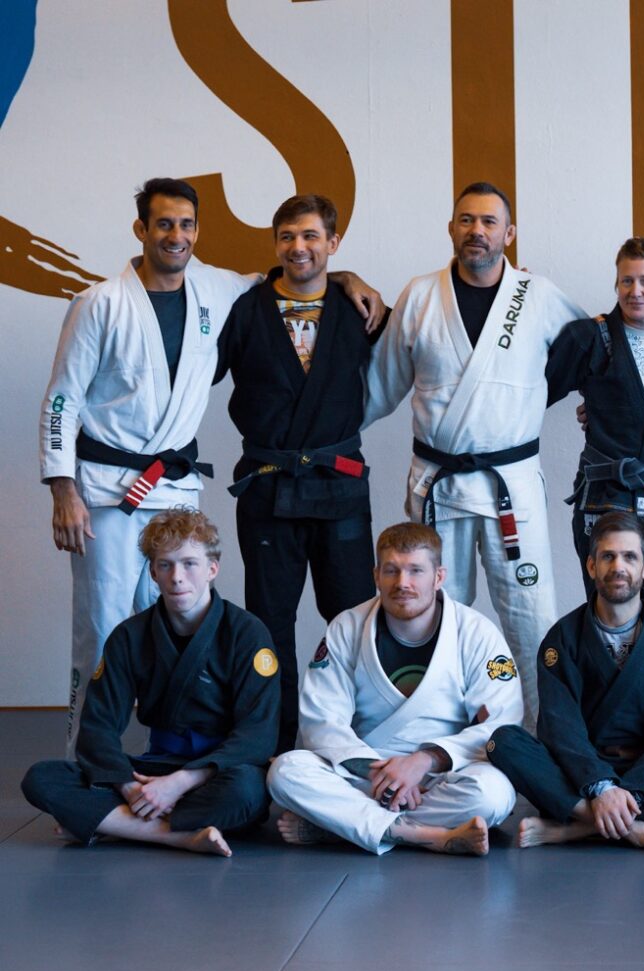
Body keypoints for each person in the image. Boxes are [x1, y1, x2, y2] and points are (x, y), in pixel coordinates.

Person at [40, 177, 381, 753]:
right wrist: (61, 488)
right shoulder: (99, 302)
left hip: (174, 488)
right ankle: (86, 756)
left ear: (198, 231)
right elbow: (61, 400)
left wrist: (346, 278)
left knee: (184, 624)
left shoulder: (217, 289)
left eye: (186, 225)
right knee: (102, 626)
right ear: (141, 230)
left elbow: (293, 279)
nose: (177, 235)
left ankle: (172, 748)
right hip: (104, 488)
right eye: (164, 224)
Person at [366, 182, 585, 730]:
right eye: (466, 220)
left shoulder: (538, 295)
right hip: (437, 485)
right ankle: (431, 740)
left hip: (510, 485)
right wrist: (318, 434)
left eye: (489, 222)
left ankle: (543, 743)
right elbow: (377, 387)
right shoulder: (419, 296)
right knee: (427, 618)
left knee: (533, 623)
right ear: (451, 228)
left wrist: (601, 410)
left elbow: (591, 353)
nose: (477, 231)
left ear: (509, 234)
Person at [216, 193, 386, 754]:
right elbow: (195, 367)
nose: (299, 247)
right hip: (269, 484)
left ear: (333, 244)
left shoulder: (361, 311)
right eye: (287, 236)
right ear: (275, 244)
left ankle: (358, 736)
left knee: (354, 618)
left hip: (338, 486)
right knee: (269, 621)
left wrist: (352, 278)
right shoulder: (245, 308)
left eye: (312, 236)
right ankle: (274, 741)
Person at [21, 508, 279, 857]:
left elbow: (258, 736)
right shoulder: (129, 637)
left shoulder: (247, 633)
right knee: (41, 778)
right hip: (153, 770)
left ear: (212, 569)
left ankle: (112, 824)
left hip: (217, 773)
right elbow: (97, 727)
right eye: (165, 565)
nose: (177, 577)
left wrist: (179, 783)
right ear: (153, 573)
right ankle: (175, 835)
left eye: (189, 563)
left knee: (247, 792)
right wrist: (129, 788)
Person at [486, 513, 644, 854]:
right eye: (608, 556)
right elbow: (561, 729)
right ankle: (638, 830)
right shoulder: (562, 638)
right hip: (582, 774)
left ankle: (578, 828)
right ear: (591, 566)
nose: (618, 566)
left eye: (629, 557)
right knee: (503, 742)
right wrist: (600, 787)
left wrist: (630, 792)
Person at [267, 523, 522, 856]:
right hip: (364, 775)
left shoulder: (476, 633)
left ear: (439, 576)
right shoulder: (346, 627)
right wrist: (384, 779)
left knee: (494, 795)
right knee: (285, 772)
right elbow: (322, 721)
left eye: (416, 570)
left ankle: (342, 826)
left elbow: (500, 726)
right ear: (376, 576)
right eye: (392, 571)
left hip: (441, 776)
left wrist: (425, 760)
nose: (403, 583)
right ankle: (423, 835)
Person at [546, 238, 644, 631]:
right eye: (627, 281)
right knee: (609, 615)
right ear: (616, 284)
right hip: (608, 497)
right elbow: (532, 396)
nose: (637, 292)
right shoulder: (588, 338)